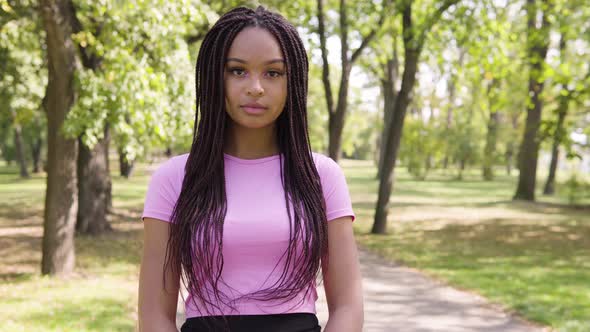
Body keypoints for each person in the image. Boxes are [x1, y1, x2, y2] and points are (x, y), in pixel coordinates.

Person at [138, 6, 363, 332]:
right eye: (237, 71)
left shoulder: (321, 176)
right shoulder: (173, 179)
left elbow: (348, 306)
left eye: (273, 73)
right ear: (215, 77)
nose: (255, 87)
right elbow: (154, 316)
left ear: (292, 82)